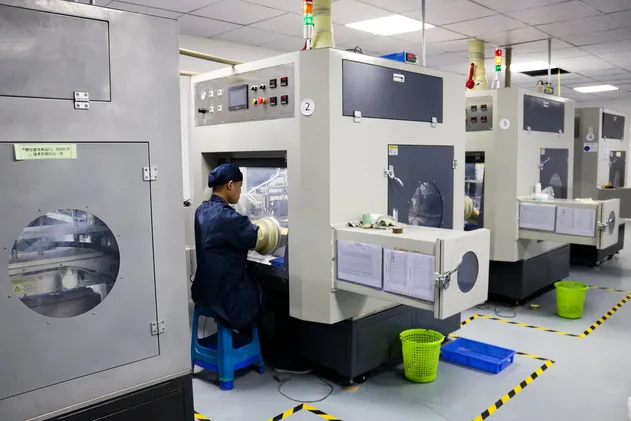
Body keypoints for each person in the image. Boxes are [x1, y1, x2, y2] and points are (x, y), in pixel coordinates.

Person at [192, 163, 264, 331]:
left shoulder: (201, 211)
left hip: (204, 293)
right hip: (226, 301)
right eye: (240, 186)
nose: (240, 191)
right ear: (230, 185)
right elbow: (258, 237)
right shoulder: (229, 218)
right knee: (266, 296)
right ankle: (253, 342)